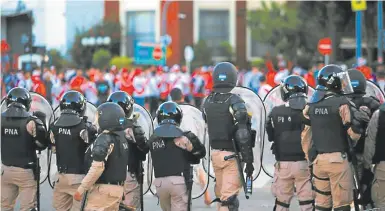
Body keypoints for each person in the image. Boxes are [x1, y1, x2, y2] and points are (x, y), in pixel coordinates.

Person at [301, 64, 367, 211]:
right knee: (342, 205)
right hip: (338, 161)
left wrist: (310, 159)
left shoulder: (311, 105)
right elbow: (354, 133)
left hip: (319, 162)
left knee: (322, 205)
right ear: (334, 82)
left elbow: (305, 136)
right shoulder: (341, 103)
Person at [202, 62, 254, 211]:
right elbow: (243, 135)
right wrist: (249, 162)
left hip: (215, 154)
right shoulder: (234, 100)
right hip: (231, 156)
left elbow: (206, 122)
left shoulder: (208, 101)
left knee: (221, 197)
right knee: (228, 201)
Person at [266, 76, 314, 211]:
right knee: (307, 202)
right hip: (305, 163)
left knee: (282, 203)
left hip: (284, 163)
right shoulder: (310, 110)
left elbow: (270, 136)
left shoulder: (275, 112)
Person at [149, 102, 206, 211]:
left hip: (160, 183)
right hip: (179, 181)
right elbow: (201, 152)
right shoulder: (186, 136)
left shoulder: (153, 138)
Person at [73, 102, 130, 210]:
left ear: (106, 119)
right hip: (116, 190)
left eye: (98, 117)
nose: (96, 121)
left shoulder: (104, 138)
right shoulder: (122, 139)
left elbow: (97, 167)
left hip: (103, 192)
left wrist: (81, 189)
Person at [1, 87, 49, 211]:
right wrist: (42, 123)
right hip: (26, 171)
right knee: (27, 208)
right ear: (27, 103)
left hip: (6, 170)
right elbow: (42, 145)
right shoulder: (31, 121)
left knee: (5, 207)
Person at [50, 91, 97, 211]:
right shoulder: (84, 127)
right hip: (79, 177)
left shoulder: (54, 125)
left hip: (60, 176)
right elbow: (94, 146)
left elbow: (51, 146)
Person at [169, 87, 212, 205]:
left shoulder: (170, 110)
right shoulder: (192, 110)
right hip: (192, 142)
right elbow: (202, 125)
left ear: (171, 98)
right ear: (182, 96)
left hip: (176, 143)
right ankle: (207, 195)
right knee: (198, 168)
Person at [107, 91, 149, 210]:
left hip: (107, 176)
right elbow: (144, 149)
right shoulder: (133, 128)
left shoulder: (101, 126)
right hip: (128, 173)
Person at [363, 104, 385, 208]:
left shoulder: (379, 114)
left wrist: (367, 166)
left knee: (381, 201)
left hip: (383, 165)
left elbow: (370, 142)